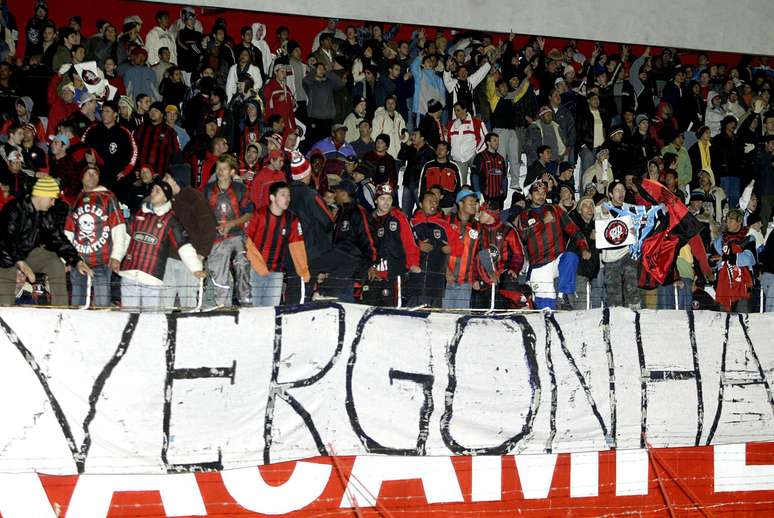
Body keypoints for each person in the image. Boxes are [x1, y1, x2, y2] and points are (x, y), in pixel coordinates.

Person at [0, 176, 92, 305]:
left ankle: (60, 311)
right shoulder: (14, 208)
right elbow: (7, 240)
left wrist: (77, 261)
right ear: (41, 195)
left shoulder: (45, 213)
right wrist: (21, 264)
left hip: (27, 252)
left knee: (54, 262)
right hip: (5, 258)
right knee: (5, 304)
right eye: (52, 199)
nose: (53, 203)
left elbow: (58, 238)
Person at [119, 178, 206, 310]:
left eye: (158, 191)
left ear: (166, 198)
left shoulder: (171, 220)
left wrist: (196, 268)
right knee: (128, 316)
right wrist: (116, 258)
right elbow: (125, 236)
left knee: (151, 322)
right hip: (129, 275)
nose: (153, 193)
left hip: (151, 279)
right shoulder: (139, 213)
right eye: (153, 189)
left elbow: (183, 245)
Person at [517, 181, 591, 309]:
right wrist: (542, 222)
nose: (541, 195)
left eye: (543, 193)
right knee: (546, 310)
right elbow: (522, 235)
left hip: (557, 259)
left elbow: (574, 230)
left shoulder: (555, 209)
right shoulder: (524, 215)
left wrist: (584, 248)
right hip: (539, 265)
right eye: (537, 193)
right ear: (529, 196)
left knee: (571, 257)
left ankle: (563, 295)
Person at [64, 165, 127, 307]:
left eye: (95, 174)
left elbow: (119, 227)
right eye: (88, 173)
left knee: (102, 306)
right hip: (78, 261)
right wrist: (67, 258)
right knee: (76, 306)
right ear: (82, 178)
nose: (92, 176)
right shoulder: (75, 200)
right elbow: (68, 231)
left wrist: (117, 256)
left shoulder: (108, 197)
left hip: (103, 262)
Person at [245, 181, 311, 306]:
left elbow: (297, 246)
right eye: (283, 195)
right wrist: (259, 266)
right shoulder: (259, 215)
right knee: (253, 310)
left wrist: (303, 271)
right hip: (255, 271)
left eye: (289, 195)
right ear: (272, 197)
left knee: (271, 311)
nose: (287, 199)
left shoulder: (292, 219)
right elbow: (246, 241)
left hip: (276, 272)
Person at [162, 169, 218, 309]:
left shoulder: (193, 196)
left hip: (190, 259)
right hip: (169, 258)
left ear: (176, 180)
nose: (164, 181)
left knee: (189, 304)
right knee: (164, 303)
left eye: (167, 177)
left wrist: (201, 254)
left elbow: (209, 226)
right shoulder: (166, 200)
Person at [203, 155, 253, 307]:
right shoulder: (207, 190)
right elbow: (201, 214)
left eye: (224, 168)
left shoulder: (240, 189)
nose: (220, 171)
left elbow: (249, 213)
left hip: (237, 234)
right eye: (218, 168)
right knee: (220, 273)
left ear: (232, 172)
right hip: (216, 237)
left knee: (243, 263)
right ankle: (221, 306)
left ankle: (245, 301)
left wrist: (232, 224)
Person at [363, 183, 420, 306]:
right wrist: (367, 266)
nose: (386, 202)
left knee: (393, 310)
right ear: (376, 200)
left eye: (389, 199)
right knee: (369, 309)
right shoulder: (367, 219)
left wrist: (413, 263)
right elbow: (364, 246)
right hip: (373, 273)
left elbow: (409, 242)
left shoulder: (399, 217)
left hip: (394, 272)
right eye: (382, 198)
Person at [407, 191, 461, 306]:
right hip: (413, 282)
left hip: (436, 284)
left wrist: (451, 249)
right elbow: (400, 245)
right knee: (411, 319)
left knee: (432, 319)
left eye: (436, 202)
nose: (433, 204)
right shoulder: (410, 224)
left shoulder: (444, 225)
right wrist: (418, 245)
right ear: (420, 204)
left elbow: (460, 247)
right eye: (430, 201)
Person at [82, 100, 138, 198]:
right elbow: (81, 147)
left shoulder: (123, 132)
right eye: (102, 111)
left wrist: (125, 171)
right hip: (95, 177)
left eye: (107, 111)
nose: (104, 114)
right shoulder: (93, 129)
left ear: (115, 114)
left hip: (115, 180)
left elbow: (134, 153)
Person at [134, 102, 180, 180]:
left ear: (162, 114)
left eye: (156, 111)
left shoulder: (170, 132)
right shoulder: (141, 128)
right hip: (140, 175)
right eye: (151, 111)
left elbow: (175, 155)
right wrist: (135, 169)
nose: (152, 113)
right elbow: (133, 149)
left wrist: (168, 174)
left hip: (159, 175)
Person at [447, 101, 487, 183]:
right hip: (459, 159)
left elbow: (485, 138)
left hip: (473, 156)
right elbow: (447, 140)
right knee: (461, 183)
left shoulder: (477, 122)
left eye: (458, 110)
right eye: (455, 111)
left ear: (465, 110)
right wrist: (452, 153)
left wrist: (477, 152)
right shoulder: (451, 124)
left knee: (477, 181)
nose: (456, 113)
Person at [418, 141, 461, 213]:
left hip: (448, 205)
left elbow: (459, 186)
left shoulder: (453, 167)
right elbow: (422, 185)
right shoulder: (428, 165)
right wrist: (421, 201)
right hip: (430, 204)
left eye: (442, 149)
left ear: (447, 152)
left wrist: (456, 203)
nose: (439, 151)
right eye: (438, 149)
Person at [470, 133, 509, 209]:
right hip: (485, 197)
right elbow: (474, 176)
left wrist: (504, 193)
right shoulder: (480, 157)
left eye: (498, 140)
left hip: (499, 198)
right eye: (494, 140)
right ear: (488, 142)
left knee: (498, 219)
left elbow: (504, 177)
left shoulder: (501, 158)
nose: (497, 143)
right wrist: (478, 194)